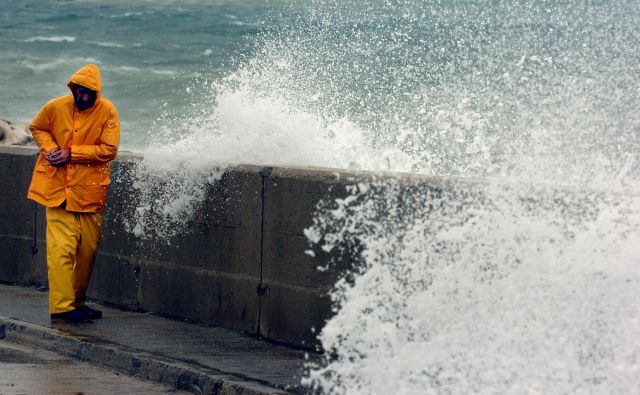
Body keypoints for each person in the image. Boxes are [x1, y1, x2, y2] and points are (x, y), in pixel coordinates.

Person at [27, 64, 120, 324]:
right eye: (79, 91)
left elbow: (109, 149)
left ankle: (77, 303)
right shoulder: (56, 107)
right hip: (56, 191)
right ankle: (61, 308)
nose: (83, 97)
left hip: (89, 195)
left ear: (96, 93)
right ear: (73, 88)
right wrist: (50, 149)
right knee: (61, 251)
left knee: (86, 253)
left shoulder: (108, 112)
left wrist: (72, 153)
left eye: (89, 93)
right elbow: (37, 128)